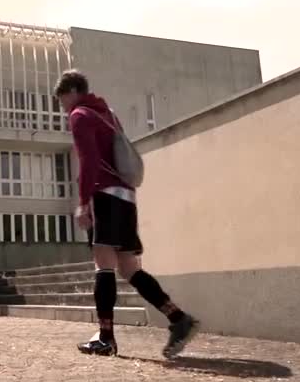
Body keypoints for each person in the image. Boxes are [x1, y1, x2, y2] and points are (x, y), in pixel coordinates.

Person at [54, 69, 199, 358]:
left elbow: (89, 161)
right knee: (129, 267)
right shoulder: (107, 113)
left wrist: (83, 203)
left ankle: (106, 337)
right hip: (126, 197)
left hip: (104, 195)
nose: (62, 106)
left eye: (61, 100)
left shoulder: (80, 115)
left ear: (71, 91)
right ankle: (178, 318)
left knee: (103, 264)